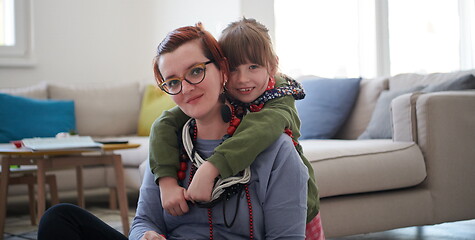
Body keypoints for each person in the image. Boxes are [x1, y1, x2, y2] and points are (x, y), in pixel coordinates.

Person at [37, 23, 309, 240]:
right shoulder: (169, 146)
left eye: (196, 71)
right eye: (173, 82)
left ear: (222, 69)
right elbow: (144, 220)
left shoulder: (277, 150)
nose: (186, 88)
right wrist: (146, 235)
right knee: (60, 218)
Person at [150, 18, 324, 239]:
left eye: (253, 66)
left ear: (272, 66)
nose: (242, 79)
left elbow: (259, 129)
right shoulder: (221, 96)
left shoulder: (281, 99)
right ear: (223, 68)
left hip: (299, 205)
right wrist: (166, 183)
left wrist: (211, 168)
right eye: (233, 69)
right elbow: (164, 123)